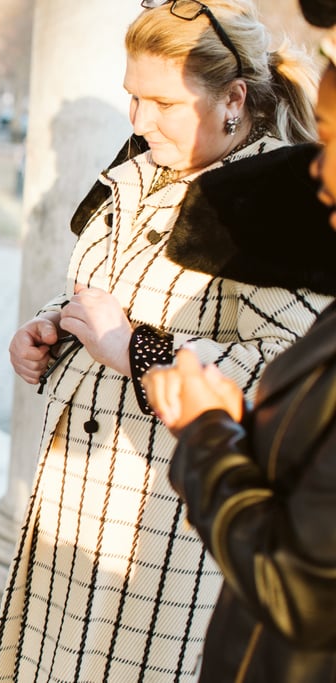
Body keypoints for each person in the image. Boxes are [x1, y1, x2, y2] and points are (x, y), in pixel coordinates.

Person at [0, 2, 334, 681]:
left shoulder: (279, 201)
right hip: (72, 502)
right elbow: (113, 296)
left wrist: (138, 351)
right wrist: (57, 324)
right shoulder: (138, 172)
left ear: (233, 98)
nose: (139, 121)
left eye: (162, 102)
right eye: (132, 96)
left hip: (167, 527)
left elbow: (288, 376)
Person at [140, 6, 336, 680]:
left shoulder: (263, 212)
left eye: (335, 140)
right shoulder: (136, 176)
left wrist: (205, 429)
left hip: (173, 546)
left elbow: (301, 588)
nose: (318, 170)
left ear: (233, 99)